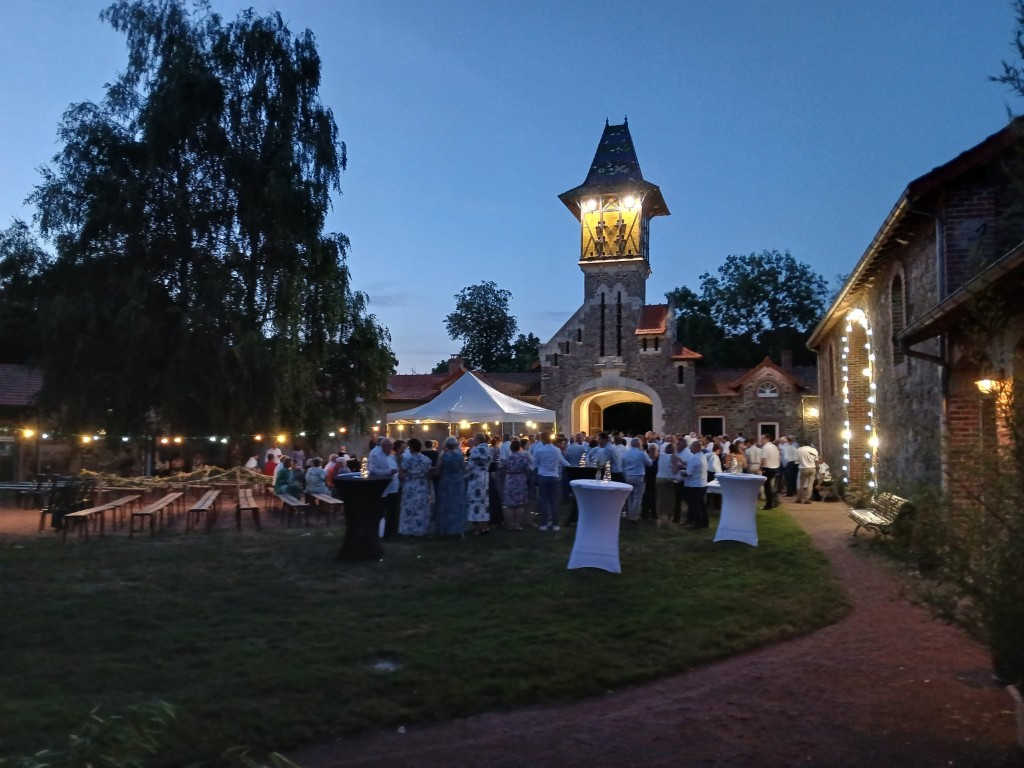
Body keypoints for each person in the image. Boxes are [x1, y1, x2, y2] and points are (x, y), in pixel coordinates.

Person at [534, 431, 569, 531]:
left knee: (543, 501)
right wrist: (571, 466)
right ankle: (555, 524)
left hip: (543, 476)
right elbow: (563, 461)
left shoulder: (539, 450)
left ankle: (544, 523)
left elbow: (535, 464)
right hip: (554, 477)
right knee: (553, 501)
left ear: (542, 439)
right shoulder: (556, 450)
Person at [399, 438, 433, 536]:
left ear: (412, 448)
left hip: (410, 485)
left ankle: (408, 529)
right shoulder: (426, 460)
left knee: (409, 507)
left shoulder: (407, 459)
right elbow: (429, 473)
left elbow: (401, 474)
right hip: (422, 485)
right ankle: (421, 529)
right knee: (421, 508)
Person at [368, 438, 400, 538]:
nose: (391, 448)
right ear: (383, 446)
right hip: (383, 488)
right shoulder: (376, 456)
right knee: (381, 512)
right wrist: (388, 472)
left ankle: (392, 532)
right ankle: (380, 533)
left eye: (392, 446)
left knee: (393, 511)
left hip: (394, 487)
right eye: (389, 446)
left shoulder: (392, 456)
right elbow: (373, 470)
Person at [436, 436, 466, 537]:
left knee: (446, 506)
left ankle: (445, 530)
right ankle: (458, 530)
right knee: (458, 506)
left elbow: (438, 468)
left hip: (446, 481)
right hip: (458, 482)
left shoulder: (444, 455)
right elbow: (463, 468)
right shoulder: (460, 455)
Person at [502, 439, 532, 530]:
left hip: (510, 480)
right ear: (519, 447)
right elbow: (528, 469)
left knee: (509, 505)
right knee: (519, 504)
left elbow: (502, 467)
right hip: (520, 480)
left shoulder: (508, 458)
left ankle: (510, 524)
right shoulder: (522, 458)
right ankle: (517, 524)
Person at [622, 437, 653, 523]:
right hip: (639, 476)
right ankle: (634, 517)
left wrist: (625, 474)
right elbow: (649, 463)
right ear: (639, 444)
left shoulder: (625, 453)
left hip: (628, 476)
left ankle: (630, 515)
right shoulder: (641, 453)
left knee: (630, 497)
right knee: (637, 497)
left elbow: (623, 466)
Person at [466, 433, 492, 534]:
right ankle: (485, 526)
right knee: (484, 502)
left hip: (476, 479)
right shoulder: (489, 449)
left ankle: (479, 527)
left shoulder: (476, 450)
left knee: (476, 502)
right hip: (485, 477)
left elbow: (470, 466)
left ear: (477, 440)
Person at [683, 443, 709, 528]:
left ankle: (697, 524)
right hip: (703, 484)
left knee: (694, 505)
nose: (690, 448)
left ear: (697, 447)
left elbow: (688, 474)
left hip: (694, 485)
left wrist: (681, 471)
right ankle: (705, 522)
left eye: (692, 447)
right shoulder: (703, 456)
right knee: (702, 505)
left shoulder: (694, 458)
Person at [655, 441, 678, 521]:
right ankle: (668, 517)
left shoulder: (661, 456)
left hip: (659, 478)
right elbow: (675, 471)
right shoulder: (673, 457)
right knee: (669, 500)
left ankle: (660, 516)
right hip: (668, 480)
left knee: (660, 499)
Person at [759, 434, 781, 510]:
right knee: (772, 486)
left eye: (762, 438)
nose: (761, 440)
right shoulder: (775, 447)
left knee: (767, 487)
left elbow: (763, 459)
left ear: (767, 439)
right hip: (775, 467)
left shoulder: (765, 447)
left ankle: (768, 505)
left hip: (768, 468)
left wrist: (760, 467)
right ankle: (774, 500)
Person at [642, 442, 660, 520]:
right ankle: (645, 513)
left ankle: (654, 513)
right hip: (646, 480)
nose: (652, 452)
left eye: (654, 450)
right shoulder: (646, 459)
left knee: (654, 498)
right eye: (651, 450)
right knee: (646, 497)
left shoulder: (659, 460)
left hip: (655, 481)